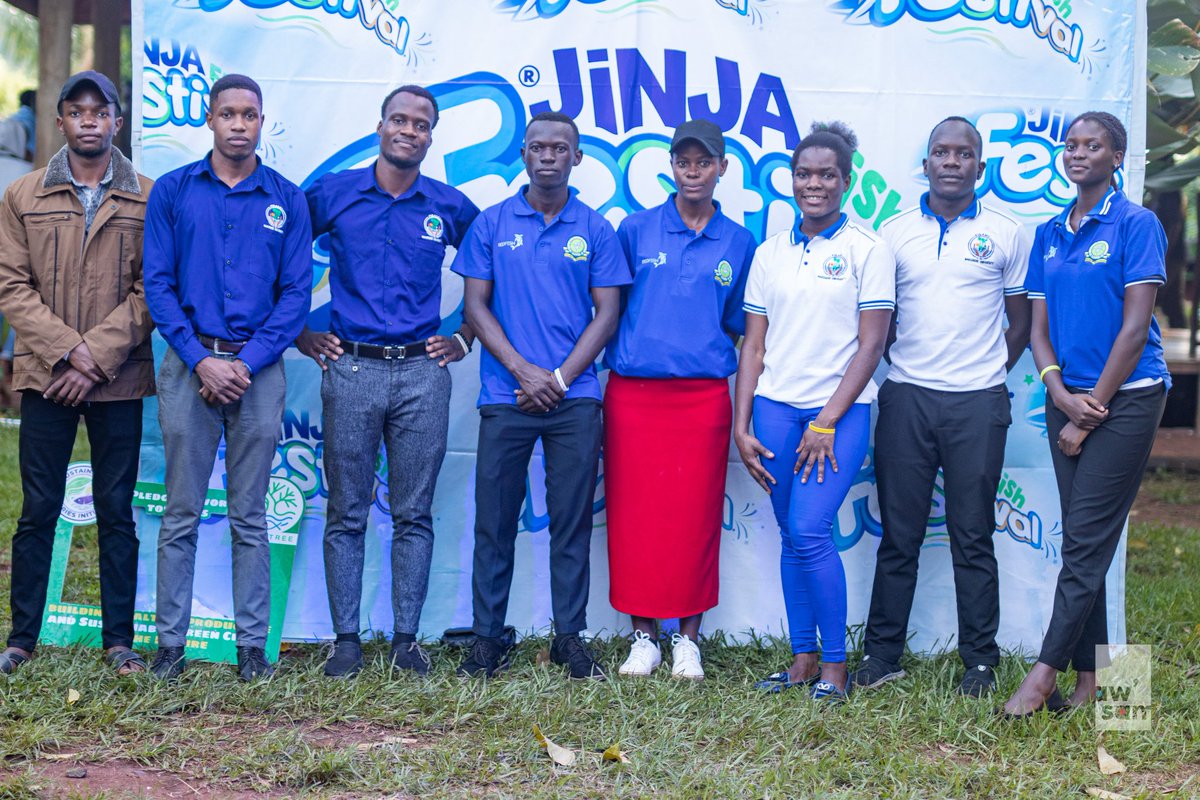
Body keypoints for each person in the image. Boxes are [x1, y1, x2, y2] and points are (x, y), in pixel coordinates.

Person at [300, 85, 480, 678]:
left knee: (414, 513)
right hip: (349, 369)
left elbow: (496, 268)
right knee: (345, 512)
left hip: (421, 376)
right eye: (398, 119)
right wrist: (299, 331)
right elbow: (272, 247)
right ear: (380, 126)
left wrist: (465, 336)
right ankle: (346, 641)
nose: (409, 130)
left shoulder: (449, 206)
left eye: (421, 123)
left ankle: (407, 641)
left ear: (431, 134)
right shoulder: (335, 193)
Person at [851, 117, 1031, 697]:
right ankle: (883, 656)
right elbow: (882, 319)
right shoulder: (894, 233)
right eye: (940, 152)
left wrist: (980, 375)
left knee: (972, 535)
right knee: (899, 536)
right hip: (906, 398)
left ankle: (979, 662)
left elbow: (1021, 325)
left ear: (981, 166)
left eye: (964, 153)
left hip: (978, 404)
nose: (951, 161)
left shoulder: (1007, 232)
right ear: (924, 164)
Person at [143, 74, 311, 682]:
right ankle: (169, 648)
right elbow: (157, 285)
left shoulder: (286, 199)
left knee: (250, 516)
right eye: (228, 114)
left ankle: (250, 651)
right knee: (181, 512)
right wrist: (201, 359)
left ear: (262, 122)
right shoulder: (174, 191)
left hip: (258, 370)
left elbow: (295, 295)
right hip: (190, 365)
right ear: (210, 121)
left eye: (250, 115)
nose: (239, 125)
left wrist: (243, 363)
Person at [452, 111, 631, 680]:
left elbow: (608, 313)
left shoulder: (596, 229)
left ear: (577, 157)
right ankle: (487, 639)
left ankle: (569, 639)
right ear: (523, 155)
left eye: (559, 147)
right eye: (536, 146)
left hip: (574, 399)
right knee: (494, 521)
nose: (547, 155)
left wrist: (555, 379)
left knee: (571, 522)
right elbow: (475, 306)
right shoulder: (491, 223)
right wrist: (523, 371)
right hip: (506, 397)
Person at [1002, 112, 1170, 716]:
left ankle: (1043, 674)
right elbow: (1038, 329)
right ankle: (1100, 682)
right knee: (1085, 540)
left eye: (1092, 145)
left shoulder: (1136, 224)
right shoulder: (1050, 232)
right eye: (1070, 145)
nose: (1077, 154)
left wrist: (1089, 408)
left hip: (1128, 398)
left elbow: (1134, 331)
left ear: (1116, 156)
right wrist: (1057, 391)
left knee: (1085, 543)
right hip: (1065, 398)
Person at [734, 122, 895, 702]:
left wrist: (826, 420)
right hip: (775, 409)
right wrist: (741, 423)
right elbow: (753, 345)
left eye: (827, 174)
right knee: (789, 534)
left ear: (847, 181)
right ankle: (801, 659)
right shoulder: (770, 250)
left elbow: (870, 346)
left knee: (809, 529)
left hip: (840, 414)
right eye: (804, 173)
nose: (814, 184)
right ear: (791, 179)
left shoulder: (868, 248)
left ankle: (834, 666)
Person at [0, 71, 154, 676]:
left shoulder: (146, 195)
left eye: (101, 110)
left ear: (117, 120)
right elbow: (11, 286)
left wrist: (95, 358)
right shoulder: (23, 195)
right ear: (60, 120)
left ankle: (120, 643)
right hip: (47, 377)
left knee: (117, 509)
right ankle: (20, 640)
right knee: (39, 507)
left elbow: (152, 290)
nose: (89, 120)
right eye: (76, 110)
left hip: (118, 380)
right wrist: (68, 353)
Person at [605, 120, 756, 680]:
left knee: (694, 518)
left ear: (722, 168)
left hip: (701, 400)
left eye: (704, 162)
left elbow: (740, 326)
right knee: (634, 516)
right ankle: (643, 636)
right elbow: (610, 310)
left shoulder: (739, 241)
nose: (693, 171)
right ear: (671, 166)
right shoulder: (636, 230)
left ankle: (688, 639)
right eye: (683, 161)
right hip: (634, 397)